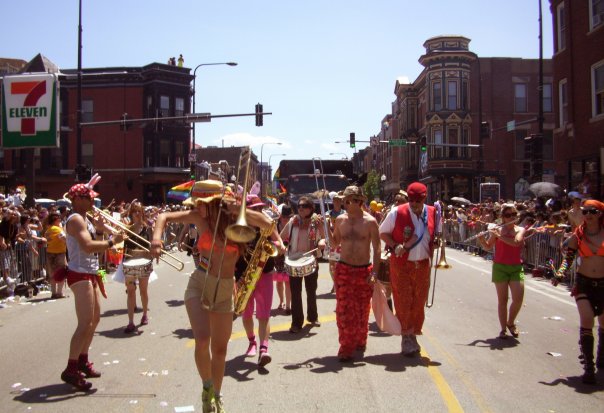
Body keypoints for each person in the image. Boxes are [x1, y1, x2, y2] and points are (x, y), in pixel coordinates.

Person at [150, 179, 274, 413]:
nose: (197, 207)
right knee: (203, 339)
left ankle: (216, 394)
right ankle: (206, 386)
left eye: (202, 203)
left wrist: (240, 209)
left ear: (216, 202)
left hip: (226, 288)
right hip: (199, 282)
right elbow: (163, 217)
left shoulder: (238, 220)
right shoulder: (199, 218)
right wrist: (156, 238)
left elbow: (268, 223)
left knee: (220, 350)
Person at [58, 179, 125, 391]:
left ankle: (83, 360)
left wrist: (102, 229)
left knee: (95, 320)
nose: (93, 203)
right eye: (89, 199)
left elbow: (95, 242)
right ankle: (71, 368)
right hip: (79, 273)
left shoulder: (86, 218)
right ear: (77, 199)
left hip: (92, 271)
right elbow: (87, 247)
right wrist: (112, 242)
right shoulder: (76, 219)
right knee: (85, 322)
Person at [379, 182, 437, 357]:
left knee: (418, 301)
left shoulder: (433, 212)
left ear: (424, 198)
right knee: (403, 300)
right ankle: (406, 337)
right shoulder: (396, 212)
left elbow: (434, 235)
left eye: (417, 201)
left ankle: (413, 333)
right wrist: (395, 245)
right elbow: (383, 232)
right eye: (411, 200)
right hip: (401, 264)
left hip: (422, 264)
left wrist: (438, 244)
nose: (414, 204)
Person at [554, 199, 604, 384]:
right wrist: (560, 274)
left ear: (600, 214)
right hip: (584, 283)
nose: (588, 215)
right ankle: (588, 367)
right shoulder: (579, 235)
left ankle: (601, 357)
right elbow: (568, 258)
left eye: (593, 211)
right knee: (587, 319)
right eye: (585, 212)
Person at [331, 186, 381, 361]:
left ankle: (360, 339)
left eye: (350, 200)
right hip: (344, 269)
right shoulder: (340, 220)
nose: (346, 203)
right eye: (345, 200)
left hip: (363, 271)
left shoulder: (370, 222)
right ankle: (346, 347)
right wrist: (324, 232)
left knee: (361, 310)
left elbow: (377, 249)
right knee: (343, 311)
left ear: (359, 201)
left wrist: (375, 272)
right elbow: (335, 242)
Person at [239, 195, 286, 367]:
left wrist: (280, 245)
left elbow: (278, 239)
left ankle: (264, 350)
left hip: (265, 272)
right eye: (254, 208)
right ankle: (252, 341)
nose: (257, 211)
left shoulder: (267, 223)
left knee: (264, 315)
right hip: (244, 274)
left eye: (259, 208)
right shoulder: (239, 227)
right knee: (245, 313)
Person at [476, 203, 527, 340]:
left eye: (513, 215)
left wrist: (499, 235)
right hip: (500, 267)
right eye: (507, 215)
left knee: (518, 298)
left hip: (517, 267)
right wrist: (482, 240)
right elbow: (487, 247)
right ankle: (503, 328)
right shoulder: (496, 230)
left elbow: (517, 243)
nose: (511, 217)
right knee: (503, 300)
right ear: (502, 217)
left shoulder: (520, 229)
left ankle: (511, 322)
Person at [280, 196, 326, 333]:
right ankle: (296, 323)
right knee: (295, 292)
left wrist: (321, 242)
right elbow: (280, 237)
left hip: (310, 259)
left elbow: (324, 237)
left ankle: (312, 317)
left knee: (311, 291)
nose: (300, 208)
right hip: (294, 260)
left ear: (311, 208)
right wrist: (281, 246)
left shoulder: (317, 222)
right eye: (299, 206)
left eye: (304, 206)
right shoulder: (292, 222)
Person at [122, 201, 153, 333]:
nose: (137, 213)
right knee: (130, 291)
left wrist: (142, 252)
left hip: (144, 262)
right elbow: (124, 249)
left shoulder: (147, 228)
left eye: (139, 211)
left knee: (143, 291)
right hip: (129, 262)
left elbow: (150, 248)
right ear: (131, 213)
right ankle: (130, 322)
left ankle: (145, 314)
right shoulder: (126, 229)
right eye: (134, 211)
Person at [273, 204, 293, 314]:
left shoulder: (293, 225)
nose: (286, 219)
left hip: (289, 256)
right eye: (284, 217)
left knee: (288, 282)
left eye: (288, 217)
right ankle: (281, 301)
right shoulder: (275, 226)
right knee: (279, 282)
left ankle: (288, 305)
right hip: (278, 256)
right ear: (280, 216)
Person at [44, 212, 67, 299]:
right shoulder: (58, 229)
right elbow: (63, 238)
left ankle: (53, 293)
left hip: (50, 252)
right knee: (61, 272)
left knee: (52, 273)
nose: (60, 220)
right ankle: (59, 292)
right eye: (59, 219)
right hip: (60, 253)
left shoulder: (48, 230)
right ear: (55, 220)